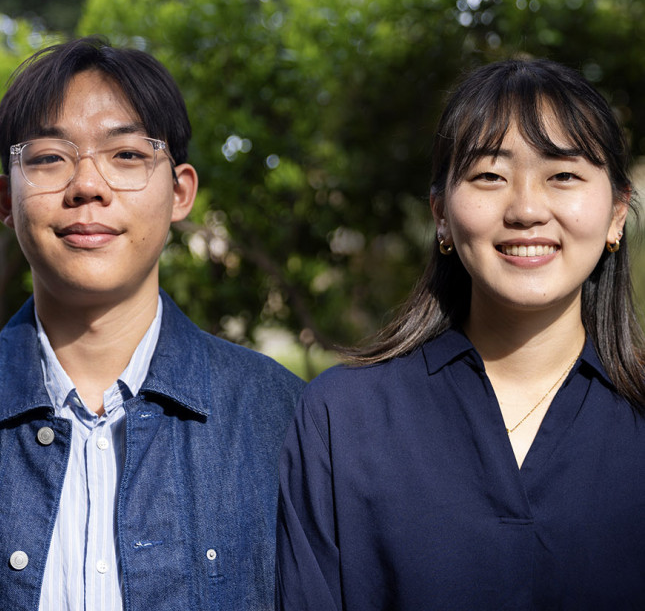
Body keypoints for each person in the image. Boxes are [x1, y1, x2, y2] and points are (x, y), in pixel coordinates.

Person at [0, 36, 303, 609]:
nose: (87, 186)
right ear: (4, 199)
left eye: (126, 156)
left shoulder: (281, 418)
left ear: (179, 191)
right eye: (49, 157)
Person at [276, 57, 645, 609]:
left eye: (563, 175)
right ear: (441, 215)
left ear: (617, 213)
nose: (525, 209)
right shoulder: (344, 420)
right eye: (489, 176)